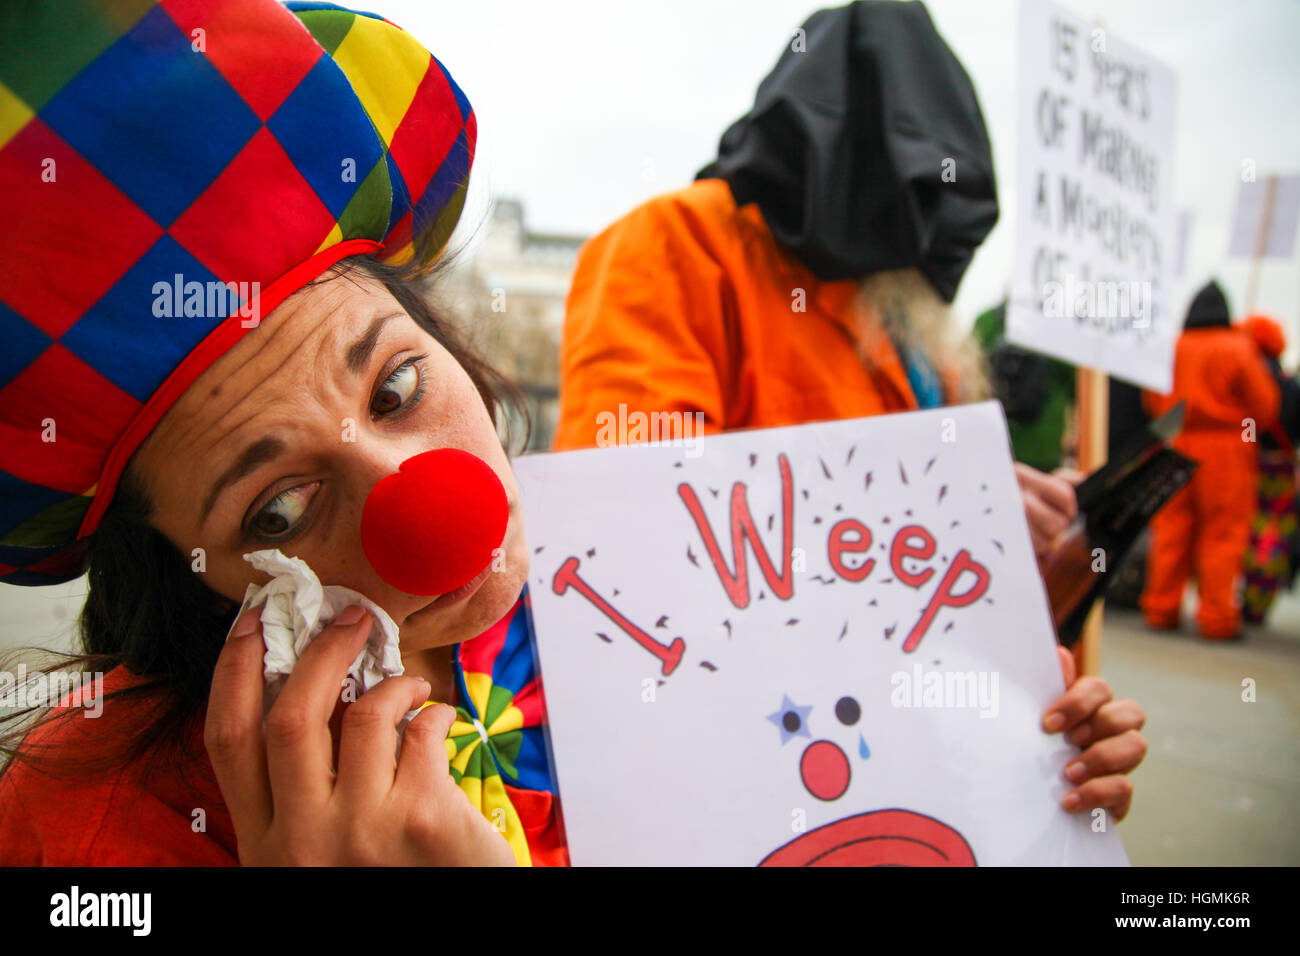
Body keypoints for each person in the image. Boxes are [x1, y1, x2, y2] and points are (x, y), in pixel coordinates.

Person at [0, 0, 563, 865]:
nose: (424, 506)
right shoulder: (91, 826)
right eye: (279, 511)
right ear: (182, 570)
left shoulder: (650, 586)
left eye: (397, 387)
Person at [555, 0, 1147, 820]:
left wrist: (1040, 563)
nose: (922, 220)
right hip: (745, 774)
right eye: (906, 186)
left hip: (912, 780)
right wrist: (939, 522)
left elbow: (940, 609)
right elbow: (631, 543)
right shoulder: (675, 245)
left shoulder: (918, 332)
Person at [1140, 282, 1281, 640]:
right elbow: (1264, 406)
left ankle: (1161, 607)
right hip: (1227, 447)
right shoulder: (1239, 348)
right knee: (1223, 533)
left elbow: (1154, 402)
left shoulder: (1172, 348)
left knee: (1172, 527)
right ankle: (1216, 618)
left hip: (1176, 440)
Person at [1239, 314, 1300, 624]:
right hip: (1282, 468)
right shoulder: (1289, 385)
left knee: (1243, 529)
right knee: (1273, 533)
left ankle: (1240, 597)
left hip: (1248, 463)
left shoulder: (1249, 376)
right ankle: (1258, 601)